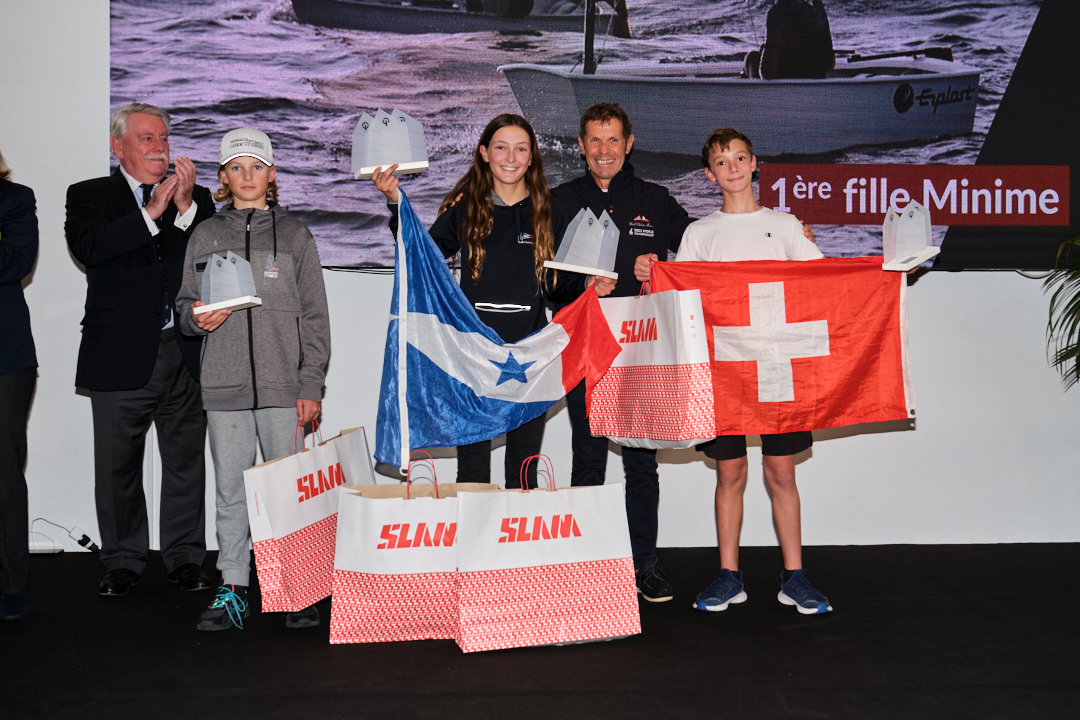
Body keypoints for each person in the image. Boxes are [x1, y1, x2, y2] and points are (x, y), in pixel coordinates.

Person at [646, 126, 831, 615]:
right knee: (729, 474)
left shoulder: (787, 226)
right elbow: (679, 302)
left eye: (740, 158)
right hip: (722, 370)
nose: (732, 168)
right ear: (709, 174)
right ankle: (729, 576)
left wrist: (886, 272)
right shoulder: (699, 234)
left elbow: (824, 283)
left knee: (782, 473)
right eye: (721, 162)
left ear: (755, 164)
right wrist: (652, 275)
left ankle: (795, 577)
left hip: (777, 367)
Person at [372, 113, 610, 488]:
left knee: (523, 472)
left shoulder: (553, 211)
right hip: (473, 361)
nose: (510, 157)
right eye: (501, 147)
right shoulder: (466, 210)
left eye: (520, 149)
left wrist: (586, 286)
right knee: (472, 474)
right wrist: (395, 204)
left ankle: (517, 548)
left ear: (532, 157)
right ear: (484, 153)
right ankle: (475, 547)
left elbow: (556, 289)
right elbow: (422, 257)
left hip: (531, 362)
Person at [176, 128, 330, 632]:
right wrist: (193, 319)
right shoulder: (204, 234)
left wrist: (310, 384)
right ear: (222, 177)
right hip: (224, 387)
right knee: (230, 492)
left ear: (272, 174)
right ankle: (234, 586)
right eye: (236, 168)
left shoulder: (295, 235)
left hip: (285, 389)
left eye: (256, 167)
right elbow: (183, 306)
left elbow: (315, 316)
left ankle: (296, 589)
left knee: (286, 491)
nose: (247, 177)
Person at [65, 103, 216, 597]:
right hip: (119, 354)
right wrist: (151, 213)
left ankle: (186, 558)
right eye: (147, 139)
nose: (160, 148)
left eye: (165, 139)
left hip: (183, 353)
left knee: (185, 462)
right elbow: (92, 249)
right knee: (117, 467)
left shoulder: (194, 199)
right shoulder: (89, 196)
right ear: (118, 146)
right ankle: (124, 560)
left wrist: (186, 206)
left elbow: (207, 254)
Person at [551, 103, 692, 603]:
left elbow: (700, 253)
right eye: (594, 140)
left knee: (641, 464)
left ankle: (643, 567)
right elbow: (545, 282)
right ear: (582, 145)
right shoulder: (560, 200)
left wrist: (659, 270)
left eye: (613, 140)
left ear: (629, 143)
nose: (604, 150)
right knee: (588, 460)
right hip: (586, 346)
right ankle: (586, 566)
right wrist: (576, 285)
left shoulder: (654, 199)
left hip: (639, 352)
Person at [0, 149, 37, 620]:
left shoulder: (14, 198)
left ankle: (11, 588)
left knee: (4, 471)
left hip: (5, 358)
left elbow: (14, 264)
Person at [754, 0, 835, 80]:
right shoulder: (816, 12)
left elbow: (767, 69)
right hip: (817, 77)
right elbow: (830, 62)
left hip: (788, 80)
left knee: (752, 58)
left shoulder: (777, 12)